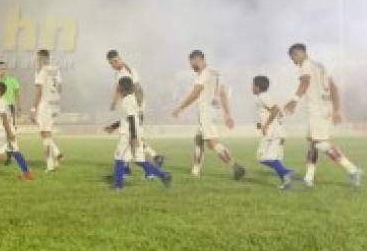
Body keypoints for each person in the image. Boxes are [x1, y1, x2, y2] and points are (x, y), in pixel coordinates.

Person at [284, 44, 363, 187]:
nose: (294, 62)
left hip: (317, 108)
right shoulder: (321, 66)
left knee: (320, 143)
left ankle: (352, 169)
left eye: (293, 58)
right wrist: (337, 109)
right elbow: (334, 88)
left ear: (297, 54)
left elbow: (305, 82)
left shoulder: (305, 64)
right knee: (313, 143)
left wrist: (294, 101)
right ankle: (308, 178)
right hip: (325, 107)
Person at [171, 50, 245, 180]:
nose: (192, 66)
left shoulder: (204, 73)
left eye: (192, 63)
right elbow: (222, 94)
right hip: (213, 110)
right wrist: (227, 114)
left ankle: (235, 166)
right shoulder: (216, 72)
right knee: (199, 138)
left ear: (198, 59)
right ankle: (195, 171)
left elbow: (195, 93)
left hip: (206, 111)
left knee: (212, 143)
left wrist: (180, 108)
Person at [104, 77, 170, 189]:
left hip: (128, 134)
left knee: (119, 157)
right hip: (135, 132)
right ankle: (163, 175)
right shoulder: (132, 99)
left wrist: (133, 137)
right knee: (139, 160)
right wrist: (113, 127)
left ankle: (118, 185)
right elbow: (127, 118)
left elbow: (131, 119)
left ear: (120, 87)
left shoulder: (127, 101)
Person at [253, 76, 294, 189]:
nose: (251, 88)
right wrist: (261, 124)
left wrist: (266, 125)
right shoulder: (265, 97)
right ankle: (286, 182)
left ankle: (285, 171)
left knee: (262, 157)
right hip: (277, 132)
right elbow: (278, 112)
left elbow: (275, 109)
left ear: (257, 87)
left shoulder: (262, 97)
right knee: (274, 158)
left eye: (252, 85)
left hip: (272, 133)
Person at [31, 49, 64, 172]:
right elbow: (60, 87)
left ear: (43, 58)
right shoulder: (56, 70)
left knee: (46, 134)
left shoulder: (42, 71)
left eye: (38, 59)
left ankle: (51, 165)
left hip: (45, 104)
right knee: (44, 133)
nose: (37, 61)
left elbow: (38, 91)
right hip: (54, 104)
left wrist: (33, 108)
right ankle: (57, 153)